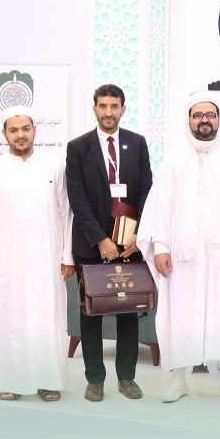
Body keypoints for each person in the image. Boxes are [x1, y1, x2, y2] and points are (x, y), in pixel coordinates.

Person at [136, 93, 220, 403]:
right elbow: (161, 206)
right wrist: (160, 246)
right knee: (181, 313)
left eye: (210, 115)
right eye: (197, 115)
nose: (204, 120)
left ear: (219, 119)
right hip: (183, 256)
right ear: (188, 120)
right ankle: (179, 380)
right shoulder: (174, 160)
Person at [0, 107, 75, 402]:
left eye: (25, 129)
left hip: (47, 259)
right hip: (5, 262)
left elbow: (66, 213)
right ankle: (10, 380)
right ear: (4, 134)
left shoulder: (53, 165)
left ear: (34, 130)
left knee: (46, 321)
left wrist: (67, 255)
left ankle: (48, 381)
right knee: (8, 320)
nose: (20, 135)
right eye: (13, 130)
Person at [66, 84, 153, 402]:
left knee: (129, 312)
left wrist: (138, 235)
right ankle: (95, 380)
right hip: (91, 245)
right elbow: (77, 198)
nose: (108, 112)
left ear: (123, 109)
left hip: (129, 243)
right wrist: (100, 239)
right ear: (94, 109)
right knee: (91, 314)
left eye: (114, 106)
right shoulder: (78, 147)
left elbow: (147, 191)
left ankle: (127, 378)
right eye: (102, 106)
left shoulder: (137, 143)